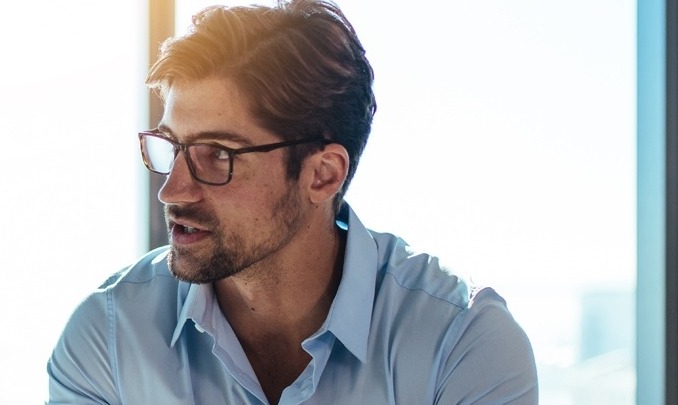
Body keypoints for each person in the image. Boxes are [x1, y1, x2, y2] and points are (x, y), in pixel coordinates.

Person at [46, 1, 536, 403]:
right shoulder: (108, 337)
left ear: (322, 175)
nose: (171, 190)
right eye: (171, 147)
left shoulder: (463, 343)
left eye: (217, 155)